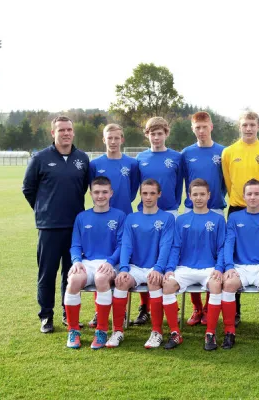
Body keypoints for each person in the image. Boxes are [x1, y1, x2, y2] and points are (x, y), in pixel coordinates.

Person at [22, 116, 90, 333]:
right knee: (47, 272)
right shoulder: (40, 158)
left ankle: (67, 312)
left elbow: (83, 188)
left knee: (71, 273)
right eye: (61, 130)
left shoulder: (82, 158)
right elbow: (28, 189)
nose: (66, 133)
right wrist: (44, 210)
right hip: (49, 227)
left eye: (69, 129)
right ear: (53, 133)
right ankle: (46, 315)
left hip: (74, 227)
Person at [221, 111, 259, 325]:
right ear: (239, 126)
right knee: (235, 259)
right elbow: (228, 181)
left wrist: (257, 199)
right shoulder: (228, 152)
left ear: (258, 126)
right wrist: (241, 199)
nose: (248, 128)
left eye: (252, 124)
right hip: (236, 209)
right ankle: (235, 311)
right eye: (245, 124)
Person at [109, 179, 175, 348]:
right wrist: (124, 268)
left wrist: (159, 268)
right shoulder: (131, 218)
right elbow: (126, 244)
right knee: (121, 281)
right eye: (145, 193)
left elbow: (166, 246)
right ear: (140, 194)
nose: (148, 197)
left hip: (155, 267)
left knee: (153, 282)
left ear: (159, 194)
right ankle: (117, 331)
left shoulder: (167, 218)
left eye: (152, 193)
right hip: (136, 267)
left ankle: (157, 332)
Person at [87, 123, 139, 329]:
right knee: (102, 262)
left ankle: (125, 308)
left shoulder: (132, 164)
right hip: (101, 219)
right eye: (110, 138)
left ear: (122, 139)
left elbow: (134, 188)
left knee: (126, 261)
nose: (114, 141)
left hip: (125, 217)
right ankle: (98, 310)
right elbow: (94, 188)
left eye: (117, 138)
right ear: (104, 139)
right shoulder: (95, 164)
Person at [164, 179, 226, 350]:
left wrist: (219, 268)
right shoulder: (181, 220)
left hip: (209, 268)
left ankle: (210, 333)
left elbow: (222, 248)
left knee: (215, 285)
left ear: (209, 196)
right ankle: (175, 333)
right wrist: (170, 269)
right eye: (195, 194)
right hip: (185, 267)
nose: (199, 198)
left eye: (202, 194)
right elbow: (175, 247)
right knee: (167, 285)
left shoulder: (218, 220)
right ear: (189, 196)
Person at [65, 177, 126, 349]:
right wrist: (76, 261)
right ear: (90, 194)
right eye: (97, 192)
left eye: (105, 192)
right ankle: (73, 330)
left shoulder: (120, 216)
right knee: (74, 280)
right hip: (87, 262)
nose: (101, 196)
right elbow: (76, 244)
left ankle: (101, 330)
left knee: (101, 278)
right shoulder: (82, 217)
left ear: (111, 193)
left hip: (110, 262)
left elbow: (123, 245)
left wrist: (111, 261)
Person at [134, 117, 183, 326]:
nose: (156, 137)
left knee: (169, 257)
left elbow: (180, 184)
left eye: (160, 133)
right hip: (146, 213)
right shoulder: (140, 158)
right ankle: (144, 307)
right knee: (146, 257)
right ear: (147, 135)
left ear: (166, 133)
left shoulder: (176, 157)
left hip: (169, 212)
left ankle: (170, 302)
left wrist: (173, 205)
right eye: (152, 134)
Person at [221, 179, 259, 349]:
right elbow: (228, 243)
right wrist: (229, 267)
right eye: (249, 194)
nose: (253, 197)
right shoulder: (234, 217)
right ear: (244, 196)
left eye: (257, 194)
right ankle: (229, 332)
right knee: (228, 284)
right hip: (240, 266)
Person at [180, 111, 227, 327]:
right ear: (193, 129)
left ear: (211, 126)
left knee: (213, 258)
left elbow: (227, 181)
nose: (201, 131)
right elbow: (180, 181)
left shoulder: (222, 152)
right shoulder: (186, 153)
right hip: (191, 213)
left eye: (204, 126)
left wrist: (218, 196)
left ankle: (209, 307)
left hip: (215, 210)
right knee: (190, 258)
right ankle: (197, 308)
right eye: (197, 127)